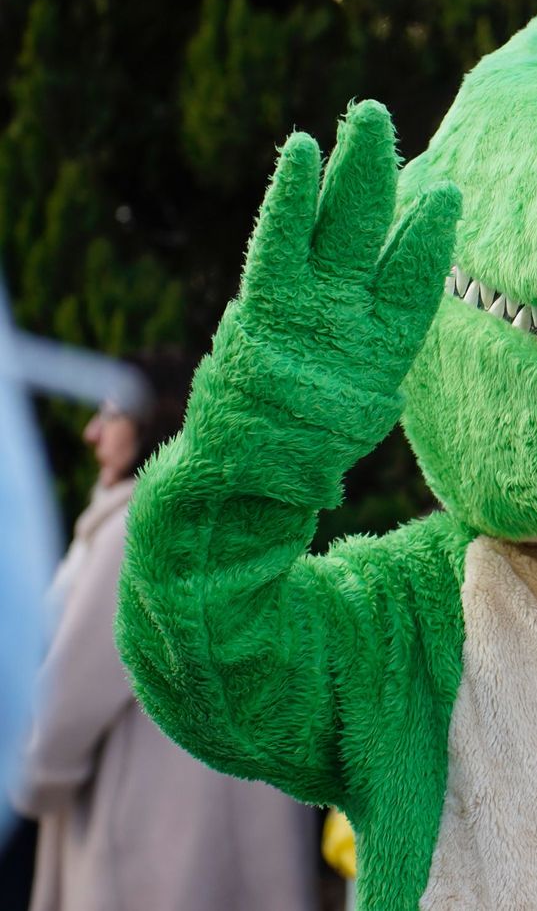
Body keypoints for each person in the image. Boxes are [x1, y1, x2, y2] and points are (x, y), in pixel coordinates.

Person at [10, 349, 321, 911]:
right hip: (242, 853)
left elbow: (62, 714)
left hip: (145, 860)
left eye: (109, 415)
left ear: (153, 417)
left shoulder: (137, 535)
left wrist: (27, 777)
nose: (90, 432)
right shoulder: (255, 525)